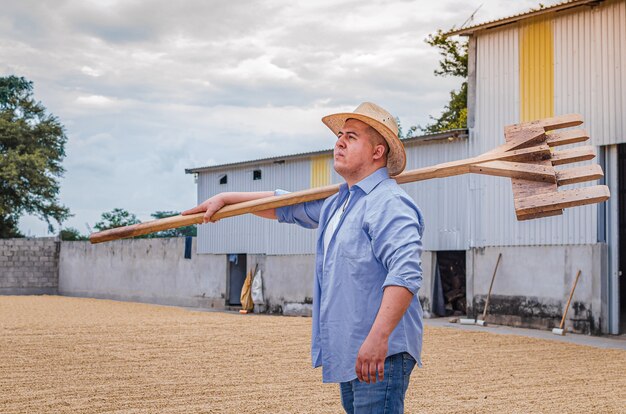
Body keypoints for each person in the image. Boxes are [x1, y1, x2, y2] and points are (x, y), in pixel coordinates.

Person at [183, 102, 424, 413]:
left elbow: (405, 274)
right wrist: (227, 199)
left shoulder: (389, 203)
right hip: (352, 346)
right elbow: (286, 205)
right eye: (339, 134)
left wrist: (378, 339)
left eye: (350, 136)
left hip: (381, 349)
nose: (338, 142)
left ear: (377, 152)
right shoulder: (339, 203)